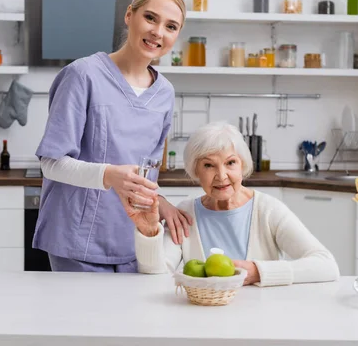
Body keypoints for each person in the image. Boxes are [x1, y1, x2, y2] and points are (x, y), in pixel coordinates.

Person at [34, 0, 193, 273]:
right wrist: (109, 175)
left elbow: (144, 173)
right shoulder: (82, 76)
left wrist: (160, 201)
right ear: (129, 15)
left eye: (171, 26)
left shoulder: (165, 93)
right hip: (78, 242)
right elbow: (51, 164)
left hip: (135, 241)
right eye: (150, 18)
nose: (158, 32)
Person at [126, 122, 340, 286]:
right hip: (203, 320)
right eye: (209, 165)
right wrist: (148, 231)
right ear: (195, 172)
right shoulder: (185, 213)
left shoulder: (268, 210)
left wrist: (258, 272)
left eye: (230, 163)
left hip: (261, 320)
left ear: (242, 165)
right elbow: (155, 276)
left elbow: (326, 265)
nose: (222, 176)